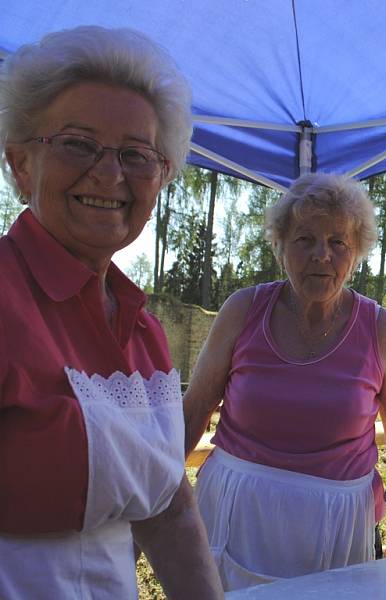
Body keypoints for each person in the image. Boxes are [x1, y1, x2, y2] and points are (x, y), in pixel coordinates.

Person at [0, 26, 223, 598]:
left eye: (136, 155)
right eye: (77, 143)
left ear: (161, 178)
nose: (109, 173)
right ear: (21, 164)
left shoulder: (143, 329)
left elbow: (167, 506)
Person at [183, 172, 386, 590]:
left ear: (356, 252)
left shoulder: (381, 330)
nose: (322, 254)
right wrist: (149, 501)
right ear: (280, 246)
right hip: (235, 517)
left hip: (337, 529)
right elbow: (192, 413)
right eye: (305, 239)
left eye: (338, 242)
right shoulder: (242, 311)